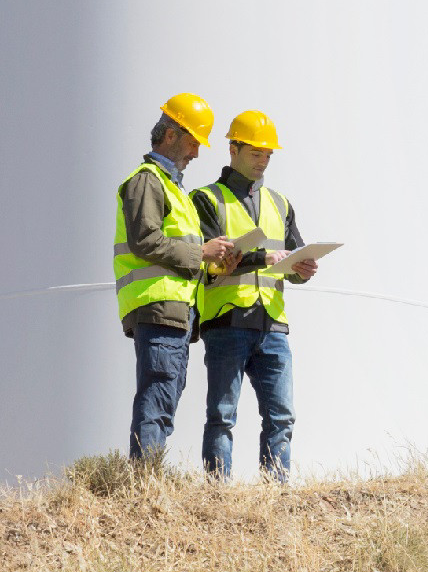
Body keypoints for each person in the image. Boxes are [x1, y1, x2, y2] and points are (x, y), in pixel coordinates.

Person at [192, 110, 318, 482]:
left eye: (268, 155)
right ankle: (218, 492)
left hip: (273, 325)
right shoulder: (205, 200)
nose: (263, 161)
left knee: (281, 416)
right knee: (222, 415)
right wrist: (263, 256)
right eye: (255, 153)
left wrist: (302, 269)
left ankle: (274, 494)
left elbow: (292, 255)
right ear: (232, 149)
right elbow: (211, 257)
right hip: (227, 321)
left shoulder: (281, 204)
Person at [114, 93, 237, 460]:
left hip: (176, 312)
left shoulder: (173, 188)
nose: (197, 153)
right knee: (157, 399)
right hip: (158, 307)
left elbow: (179, 251)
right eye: (193, 141)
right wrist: (202, 252)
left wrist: (214, 263)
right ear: (170, 134)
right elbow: (145, 241)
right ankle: (144, 485)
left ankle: (147, 481)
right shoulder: (147, 181)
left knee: (163, 402)